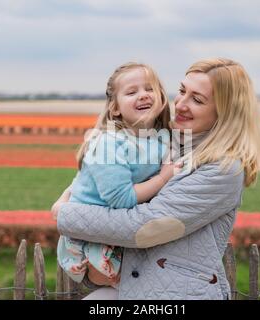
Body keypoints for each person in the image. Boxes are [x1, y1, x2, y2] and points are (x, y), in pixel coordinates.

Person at [56, 58, 260, 299]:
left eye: (197, 99)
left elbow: (145, 227)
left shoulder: (223, 168)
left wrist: (64, 213)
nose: (180, 104)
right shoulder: (168, 141)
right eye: (182, 91)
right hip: (136, 288)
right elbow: (102, 180)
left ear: (226, 113)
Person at [53, 62, 180, 288]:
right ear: (115, 108)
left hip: (119, 230)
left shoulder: (162, 138)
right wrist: (162, 178)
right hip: (90, 238)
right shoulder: (109, 143)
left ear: (161, 97)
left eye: (150, 89)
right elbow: (121, 199)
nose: (143, 95)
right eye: (132, 92)